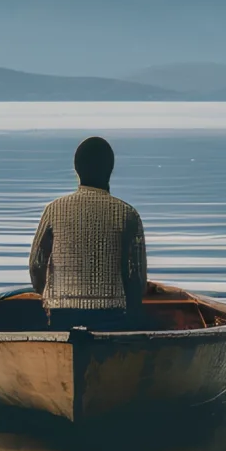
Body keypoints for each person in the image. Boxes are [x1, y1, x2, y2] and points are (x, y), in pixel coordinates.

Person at [29, 135, 147, 330]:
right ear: (110, 170)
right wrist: (135, 319)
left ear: (76, 170)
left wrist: (48, 295)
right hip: (111, 314)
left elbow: (36, 265)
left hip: (61, 313)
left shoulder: (54, 209)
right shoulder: (127, 214)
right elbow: (136, 278)